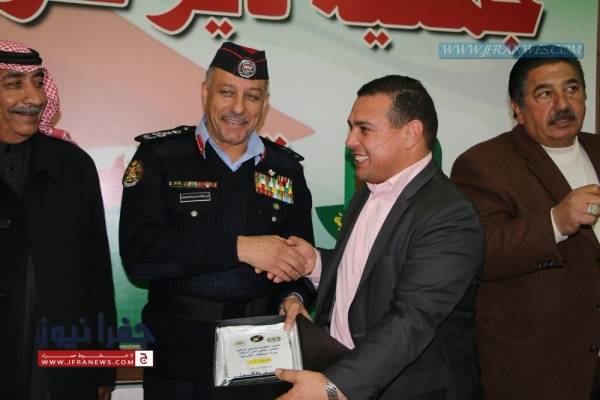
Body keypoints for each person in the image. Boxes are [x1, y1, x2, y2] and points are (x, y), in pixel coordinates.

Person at [119, 41, 314, 399]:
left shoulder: (285, 168)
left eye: (252, 97)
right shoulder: (162, 157)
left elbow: (303, 260)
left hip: (261, 358)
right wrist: (238, 248)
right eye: (227, 92)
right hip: (179, 356)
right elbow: (140, 254)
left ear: (265, 104)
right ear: (205, 92)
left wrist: (293, 296)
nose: (238, 108)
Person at [276, 75, 484, 400]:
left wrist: (335, 386)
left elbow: (412, 318)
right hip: (347, 373)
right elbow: (369, 275)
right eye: (350, 128)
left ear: (411, 133)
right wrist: (315, 263)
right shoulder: (368, 191)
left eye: (364, 129)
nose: (350, 141)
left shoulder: (449, 214)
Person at [451, 45, 600, 399]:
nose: (562, 104)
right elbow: (479, 254)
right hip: (541, 369)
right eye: (544, 94)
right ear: (517, 108)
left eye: (572, 88)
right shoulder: (483, 164)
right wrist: (555, 222)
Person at [0, 41, 116, 400]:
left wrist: (103, 364)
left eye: (38, 82)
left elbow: (97, 274)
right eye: (14, 84)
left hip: (57, 362)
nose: (34, 97)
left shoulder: (73, 166)